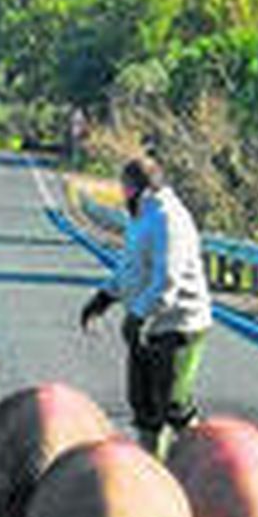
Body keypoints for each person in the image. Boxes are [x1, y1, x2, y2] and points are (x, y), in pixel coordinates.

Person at [79, 158, 213, 458]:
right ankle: (152, 466)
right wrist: (103, 297)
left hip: (180, 323)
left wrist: (138, 315)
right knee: (143, 403)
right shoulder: (141, 217)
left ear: (135, 187)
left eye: (123, 187)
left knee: (173, 403)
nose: (121, 193)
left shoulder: (169, 219)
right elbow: (131, 270)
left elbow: (168, 280)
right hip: (149, 321)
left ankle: (204, 461)